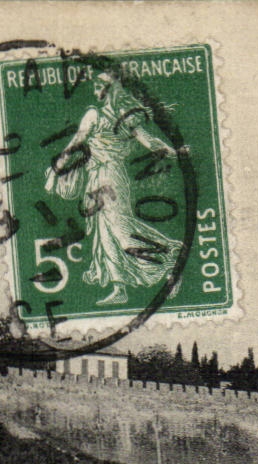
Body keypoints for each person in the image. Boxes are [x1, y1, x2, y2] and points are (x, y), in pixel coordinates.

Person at [47, 71, 184, 305]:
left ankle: (171, 255)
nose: (94, 90)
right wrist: (57, 168)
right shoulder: (96, 114)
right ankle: (119, 289)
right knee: (104, 234)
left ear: (108, 89)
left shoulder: (119, 117)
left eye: (97, 86)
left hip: (112, 177)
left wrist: (177, 153)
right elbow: (75, 144)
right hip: (95, 178)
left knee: (121, 232)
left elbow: (150, 142)